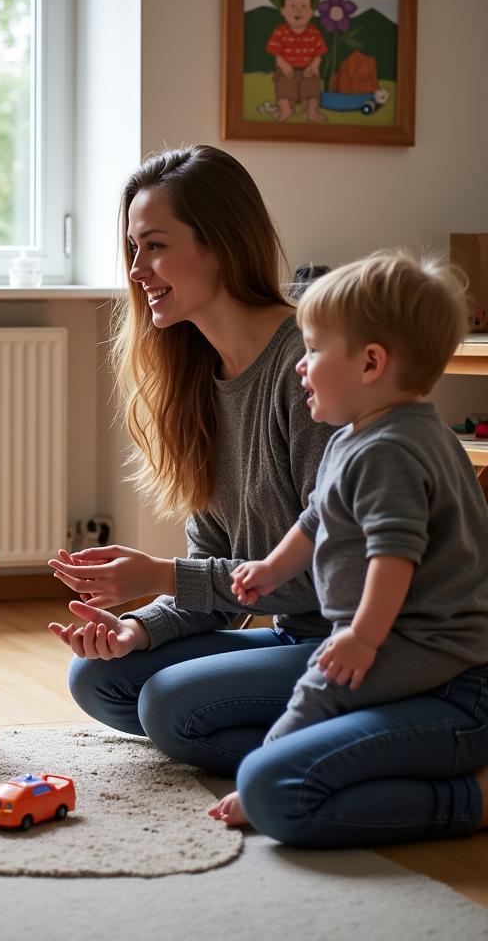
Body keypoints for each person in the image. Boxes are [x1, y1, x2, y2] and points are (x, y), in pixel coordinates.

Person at [48, 144, 335, 776]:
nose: (137, 269)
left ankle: (364, 745)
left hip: (355, 642)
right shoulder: (198, 383)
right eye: (131, 248)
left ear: (223, 244)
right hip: (295, 634)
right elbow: (216, 582)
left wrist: (159, 575)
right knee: (100, 676)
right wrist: (137, 630)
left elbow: (331, 575)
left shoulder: (308, 371)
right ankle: (306, 727)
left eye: (154, 245)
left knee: (172, 706)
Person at [210, 251, 488, 831]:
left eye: (312, 350)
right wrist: (272, 567)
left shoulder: (391, 451)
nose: (298, 367)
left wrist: (362, 637)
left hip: (445, 666)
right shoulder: (358, 437)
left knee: (319, 692)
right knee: (310, 708)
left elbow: (395, 557)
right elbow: (317, 518)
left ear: (369, 364)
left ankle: (472, 802)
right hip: (412, 654)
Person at [265, 0, 327, 123]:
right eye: (292, 6)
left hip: (308, 70)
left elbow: (319, 53)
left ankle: (311, 111)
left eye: (304, 6)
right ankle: (286, 109)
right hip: (287, 70)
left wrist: (314, 66)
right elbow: (277, 54)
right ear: (283, 11)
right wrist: (284, 65)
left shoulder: (314, 32)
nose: (298, 10)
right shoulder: (280, 31)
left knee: (312, 88)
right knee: (284, 89)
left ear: (311, 12)